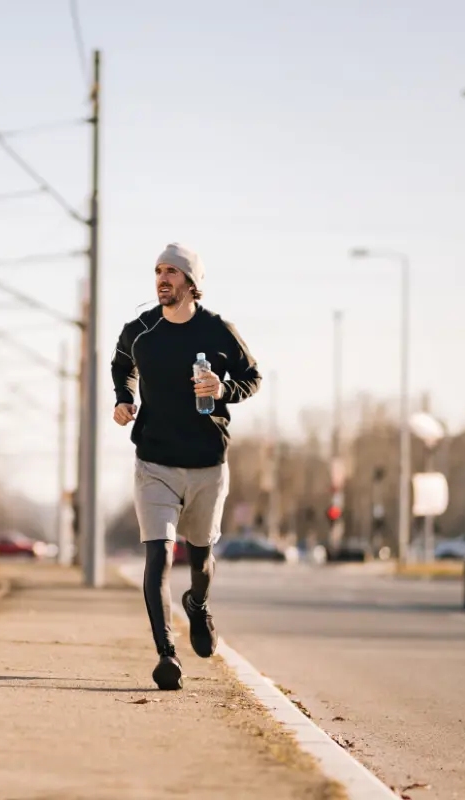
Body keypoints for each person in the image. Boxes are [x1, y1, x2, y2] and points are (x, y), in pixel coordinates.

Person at [111, 243, 261, 690]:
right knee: (158, 556)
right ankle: (166, 655)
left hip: (207, 465)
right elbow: (122, 365)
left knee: (200, 557)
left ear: (192, 284)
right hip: (154, 462)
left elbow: (252, 378)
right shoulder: (140, 329)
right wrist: (123, 398)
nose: (162, 279)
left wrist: (223, 388)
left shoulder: (219, 331)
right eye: (158, 271)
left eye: (172, 272)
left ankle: (197, 604)